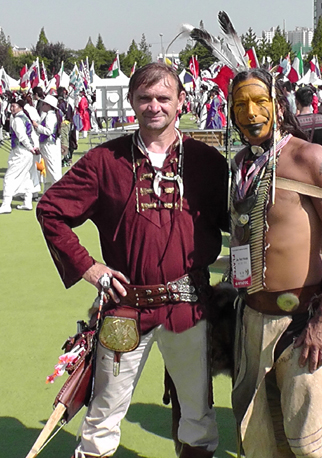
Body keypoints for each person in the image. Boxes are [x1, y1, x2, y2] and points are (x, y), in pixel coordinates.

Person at [36, 62, 228, 458]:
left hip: (188, 306)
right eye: (145, 98)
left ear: (181, 102)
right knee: (103, 416)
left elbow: (238, 221)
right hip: (126, 307)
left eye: (163, 98)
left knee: (198, 414)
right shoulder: (104, 161)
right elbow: (51, 209)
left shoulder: (208, 163)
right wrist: (89, 267)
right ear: (131, 102)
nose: (154, 106)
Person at [229, 69, 322, 458]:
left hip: (303, 326)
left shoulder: (309, 157)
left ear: (278, 105)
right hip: (251, 322)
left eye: (259, 102)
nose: (251, 113)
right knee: (261, 440)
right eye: (240, 105)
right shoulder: (240, 164)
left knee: (310, 446)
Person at [0, 97, 39, 213]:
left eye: (14, 106)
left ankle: (6, 204)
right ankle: (27, 202)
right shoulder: (25, 117)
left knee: (9, 177)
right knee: (27, 176)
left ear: (20, 107)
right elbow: (32, 135)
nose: (11, 108)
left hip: (21, 151)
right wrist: (34, 147)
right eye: (11, 106)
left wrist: (31, 148)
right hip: (26, 152)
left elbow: (22, 136)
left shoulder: (18, 119)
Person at [32, 94, 63, 191]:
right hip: (48, 145)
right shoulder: (50, 115)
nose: (42, 106)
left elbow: (48, 131)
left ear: (49, 106)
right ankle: (48, 192)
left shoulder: (50, 116)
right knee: (47, 171)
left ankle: (59, 192)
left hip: (48, 145)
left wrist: (37, 126)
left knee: (52, 170)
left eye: (44, 104)